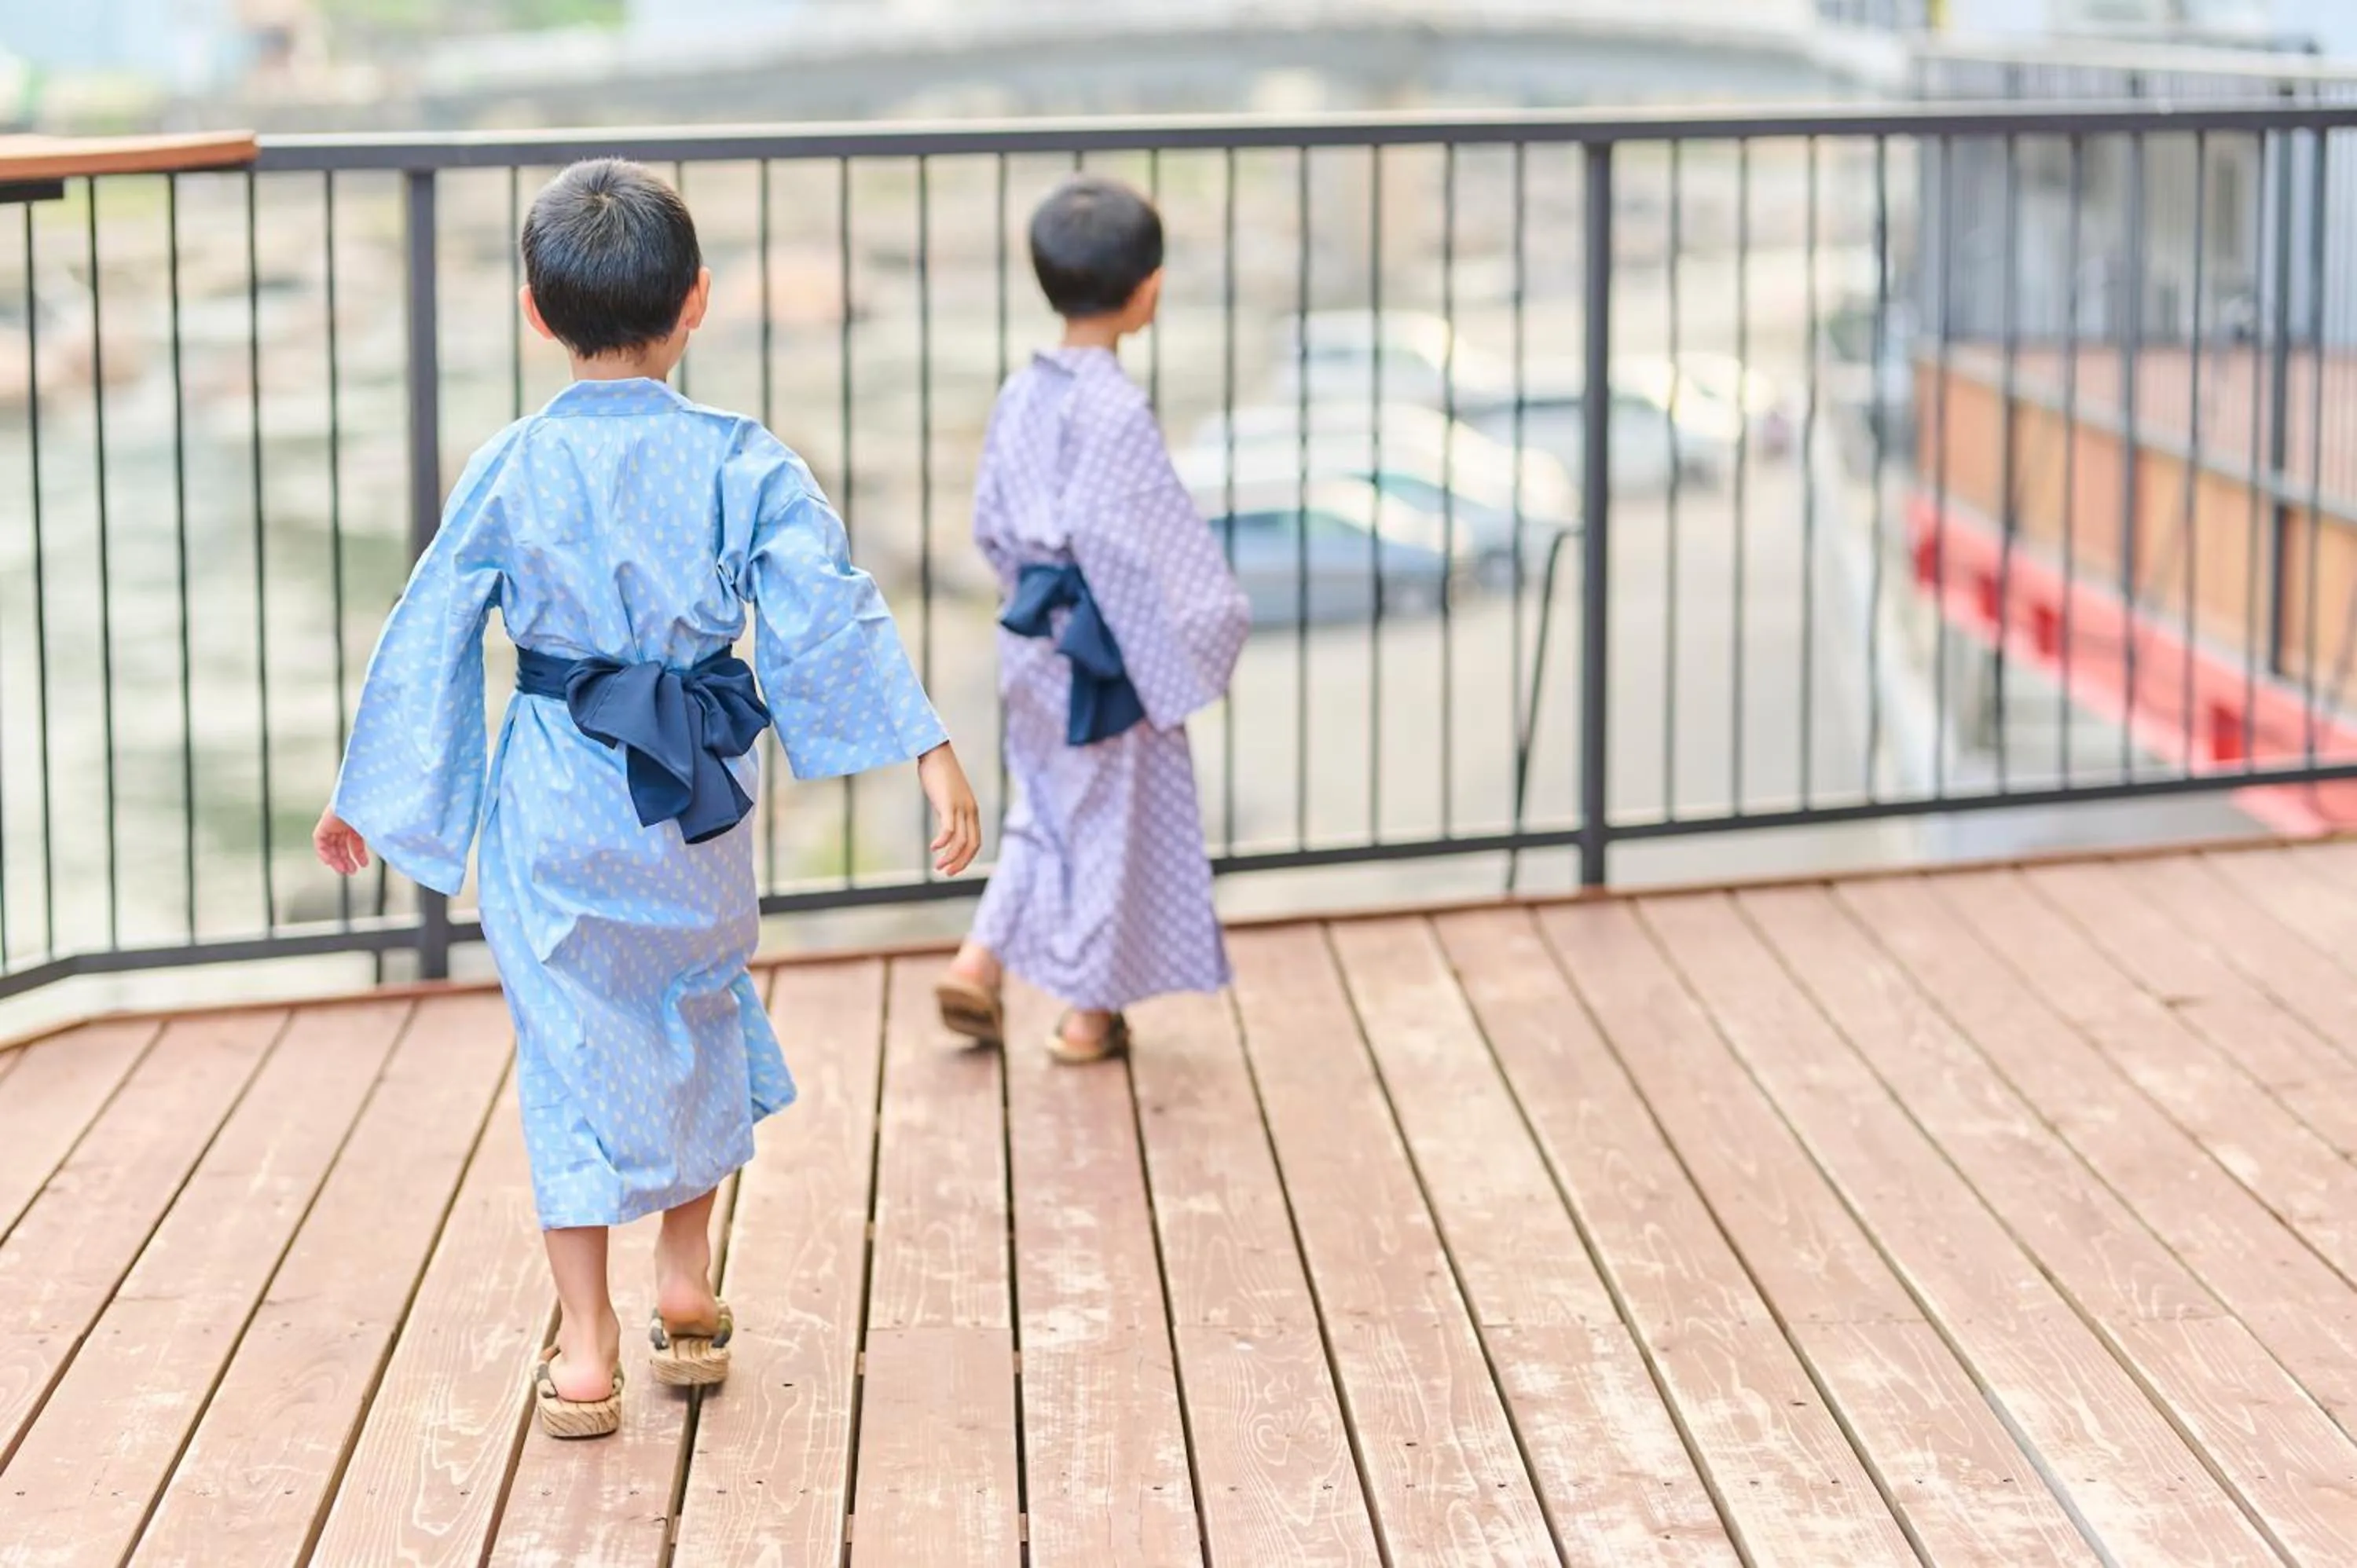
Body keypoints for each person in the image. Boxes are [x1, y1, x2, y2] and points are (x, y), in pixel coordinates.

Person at [313, 159, 981, 1440]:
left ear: (532, 310)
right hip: (694, 801)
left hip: (558, 793)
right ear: (698, 305)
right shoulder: (744, 460)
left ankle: (585, 1345)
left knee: (565, 1045)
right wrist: (926, 747)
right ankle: (685, 1279)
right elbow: (827, 608)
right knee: (699, 1011)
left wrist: (377, 797)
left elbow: (431, 625)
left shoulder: (509, 465)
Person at [937, 175, 1249, 1064]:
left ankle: (980, 959)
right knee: (1112, 817)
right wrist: (1199, 634)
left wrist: (1028, 594)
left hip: (1032, 634)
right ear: (1147, 291)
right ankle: (1087, 1016)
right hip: (1101, 652)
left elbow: (991, 522)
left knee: (1045, 802)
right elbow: (1139, 549)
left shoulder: (1021, 394)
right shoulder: (1117, 409)